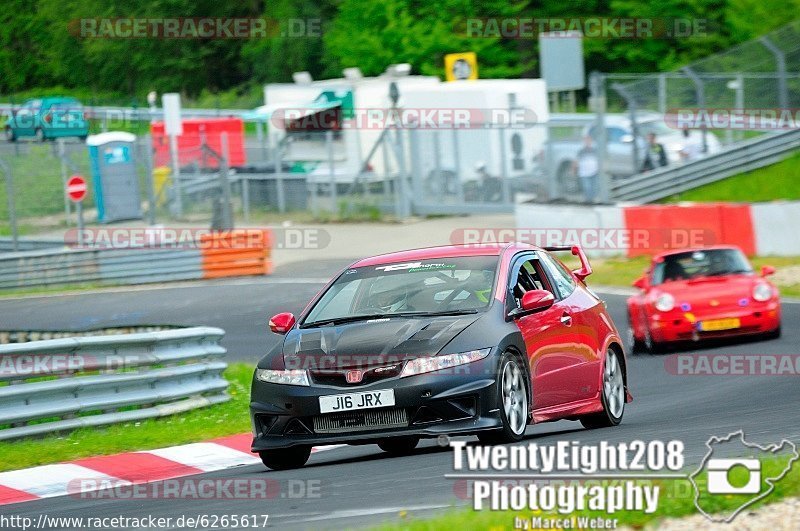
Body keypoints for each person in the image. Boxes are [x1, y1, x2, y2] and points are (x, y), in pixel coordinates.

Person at [573, 136, 599, 203]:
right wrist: (574, 169)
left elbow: (599, 160)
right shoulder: (581, 151)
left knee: (594, 187)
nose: (588, 142)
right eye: (586, 141)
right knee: (586, 187)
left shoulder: (595, 150)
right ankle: (588, 200)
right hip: (584, 173)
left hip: (594, 172)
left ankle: (592, 200)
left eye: (589, 141)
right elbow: (576, 161)